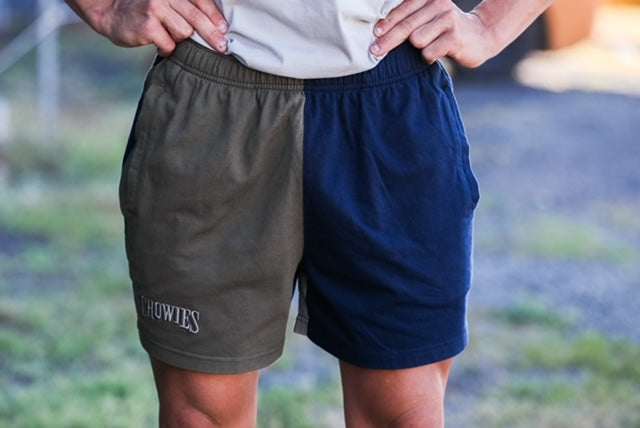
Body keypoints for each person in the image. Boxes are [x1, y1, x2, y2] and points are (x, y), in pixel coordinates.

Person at [65, 0, 552, 426]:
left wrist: (491, 25)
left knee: (405, 416)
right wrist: (105, 7)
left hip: (393, 95)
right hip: (212, 89)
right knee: (200, 416)